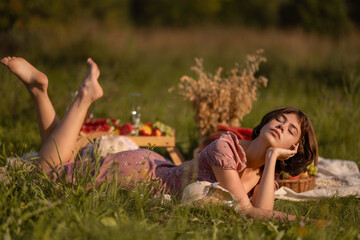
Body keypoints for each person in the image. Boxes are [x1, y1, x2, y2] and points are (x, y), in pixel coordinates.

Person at [1, 56, 318, 221]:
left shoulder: (261, 171)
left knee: (61, 157)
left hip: (156, 167)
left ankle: (38, 90)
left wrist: (273, 160)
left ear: (293, 148)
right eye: (280, 118)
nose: (282, 125)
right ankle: (84, 98)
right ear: (262, 125)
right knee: (46, 177)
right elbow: (246, 210)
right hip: (140, 175)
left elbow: (259, 208)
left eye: (292, 130)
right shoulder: (227, 146)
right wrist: (301, 223)